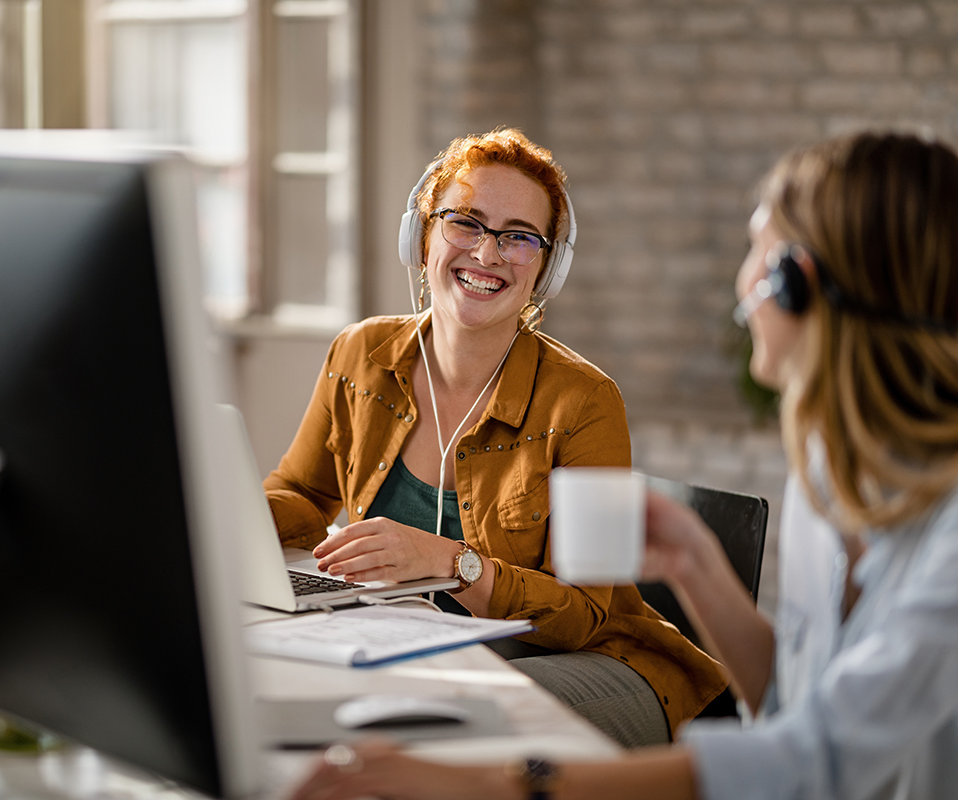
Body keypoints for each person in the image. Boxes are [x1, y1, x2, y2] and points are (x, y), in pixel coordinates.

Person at [286, 129, 958, 800]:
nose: (741, 279)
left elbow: (814, 761)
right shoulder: (826, 474)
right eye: (465, 223)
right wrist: (694, 561)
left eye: (757, 249)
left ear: (793, 284)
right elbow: (795, 704)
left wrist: (496, 784)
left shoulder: (944, 535)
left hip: (582, 665)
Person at [263, 128, 725, 748]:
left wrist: (448, 563)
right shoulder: (361, 354)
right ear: (422, 235)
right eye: (466, 223)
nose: (487, 253)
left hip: (600, 666)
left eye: (519, 236)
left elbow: (583, 616)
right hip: (426, 651)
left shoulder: (587, 403)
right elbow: (301, 491)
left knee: (414, 726)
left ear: (548, 266)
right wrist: (210, 521)